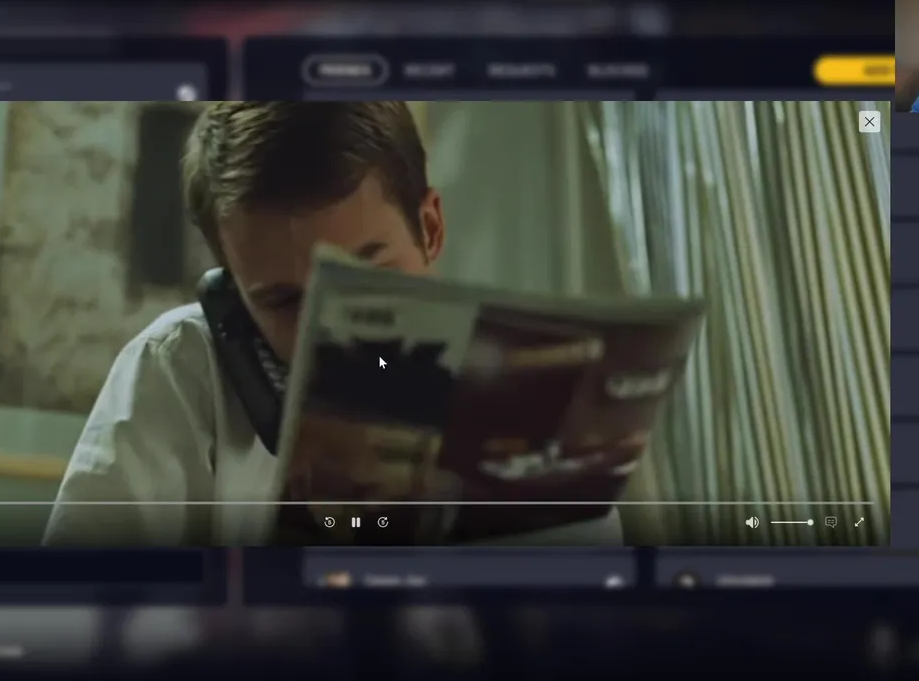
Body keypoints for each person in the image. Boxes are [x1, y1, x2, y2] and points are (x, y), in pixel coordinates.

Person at [43, 102, 625, 546]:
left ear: (430, 230)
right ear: (235, 290)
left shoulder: (531, 398)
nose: (333, 332)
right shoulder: (177, 369)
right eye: (283, 301)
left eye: (363, 276)